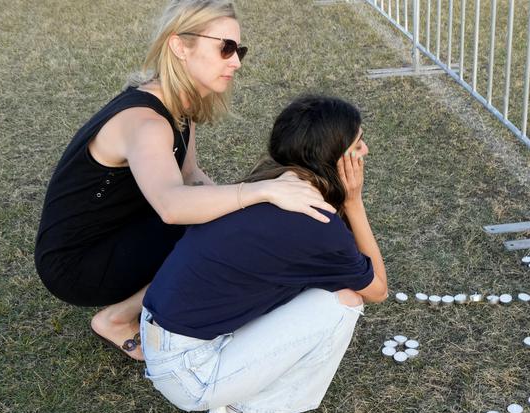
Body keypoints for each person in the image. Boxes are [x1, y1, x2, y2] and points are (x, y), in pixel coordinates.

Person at [34, 0, 332, 361]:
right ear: (179, 46)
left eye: (239, 50)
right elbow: (173, 206)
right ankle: (117, 317)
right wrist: (262, 191)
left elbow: (190, 177)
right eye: (224, 48)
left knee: (224, 224)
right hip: (77, 264)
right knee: (210, 228)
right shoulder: (147, 124)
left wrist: (245, 220)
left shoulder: (178, 107)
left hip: (116, 235)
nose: (236, 61)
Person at [139, 95, 387, 413]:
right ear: (333, 158)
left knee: (319, 289)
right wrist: (353, 202)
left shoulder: (271, 179)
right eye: (357, 143)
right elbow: (376, 289)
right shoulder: (315, 222)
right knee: (344, 302)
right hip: (189, 372)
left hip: (165, 339)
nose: (364, 150)